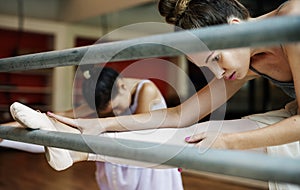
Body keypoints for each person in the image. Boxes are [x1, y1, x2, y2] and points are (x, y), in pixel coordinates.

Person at [7, 0, 300, 189]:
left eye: (215, 58)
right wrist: (101, 123)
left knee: (214, 138)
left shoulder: (292, 16)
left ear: (234, 29)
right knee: (200, 134)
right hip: (293, 117)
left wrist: (227, 142)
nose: (219, 72)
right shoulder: (244, 61)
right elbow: (182, 114)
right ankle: (76, 148)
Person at [4, 66, 184, 190]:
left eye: (118, 108)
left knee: (79, 132)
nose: (116, 113)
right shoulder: (101, 97)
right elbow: (64, 114)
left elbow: (138, 130)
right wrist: (39, 119)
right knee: (54, 124)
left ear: (122, 86)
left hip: (144, 158)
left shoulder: (147, 89)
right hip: (117, 156)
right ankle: (4, 136)